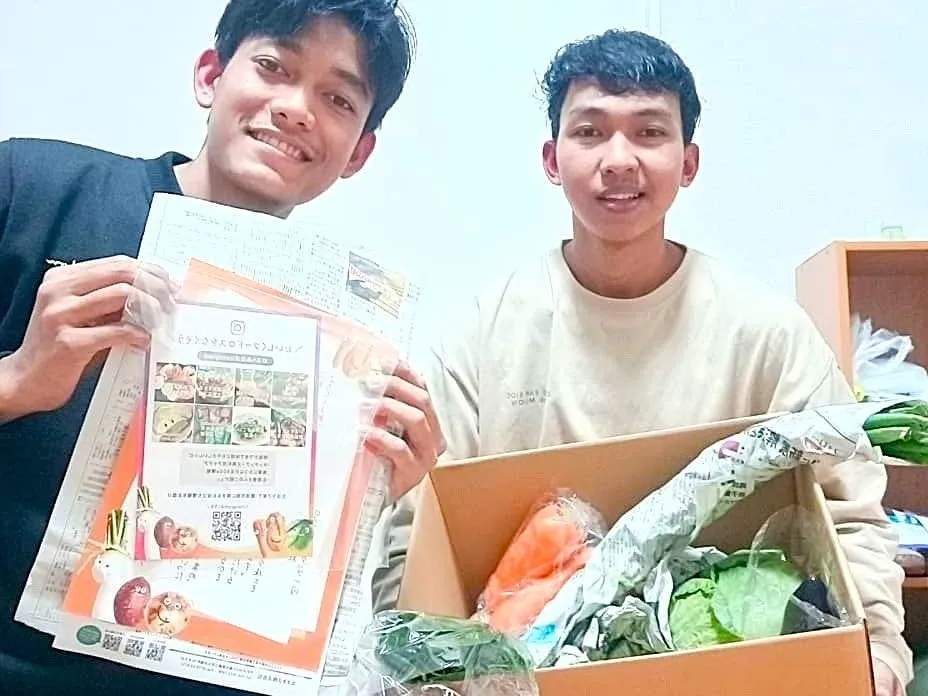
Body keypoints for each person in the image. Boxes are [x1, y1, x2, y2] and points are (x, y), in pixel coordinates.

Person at [373, 29, 911, 696]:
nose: (619, 160)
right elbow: (418, 529)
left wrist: (879, 648)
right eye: (590, 132)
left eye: (650, 133)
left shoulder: (765, 332)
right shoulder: (482, 334)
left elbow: (848, 510)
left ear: (688, 163)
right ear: (552, 159)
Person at [0, 1, 445, 694]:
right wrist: (18, 379)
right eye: (273, 66)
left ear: (359, 151)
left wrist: (365, 492)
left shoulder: (348, 335)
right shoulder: (32, 185)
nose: (297, 108)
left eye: (337, 98)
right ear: (210, 75)